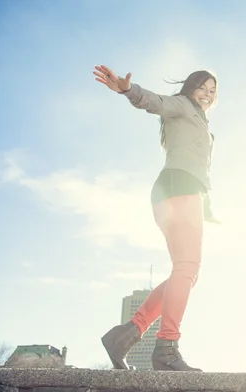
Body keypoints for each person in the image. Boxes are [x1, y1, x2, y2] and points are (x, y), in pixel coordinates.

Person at [92, 64, 219, 372]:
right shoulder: (182, 105)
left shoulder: (201, 123)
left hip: (178, 192)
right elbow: (155, 102)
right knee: (187, 269)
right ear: (190, 88)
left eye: (213, 91)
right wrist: (126, 90)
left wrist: (206, 206)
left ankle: (126, 335)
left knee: (186, 272)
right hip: (178, 189)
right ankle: (166, 347)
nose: (207, 94)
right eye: (203, 87)